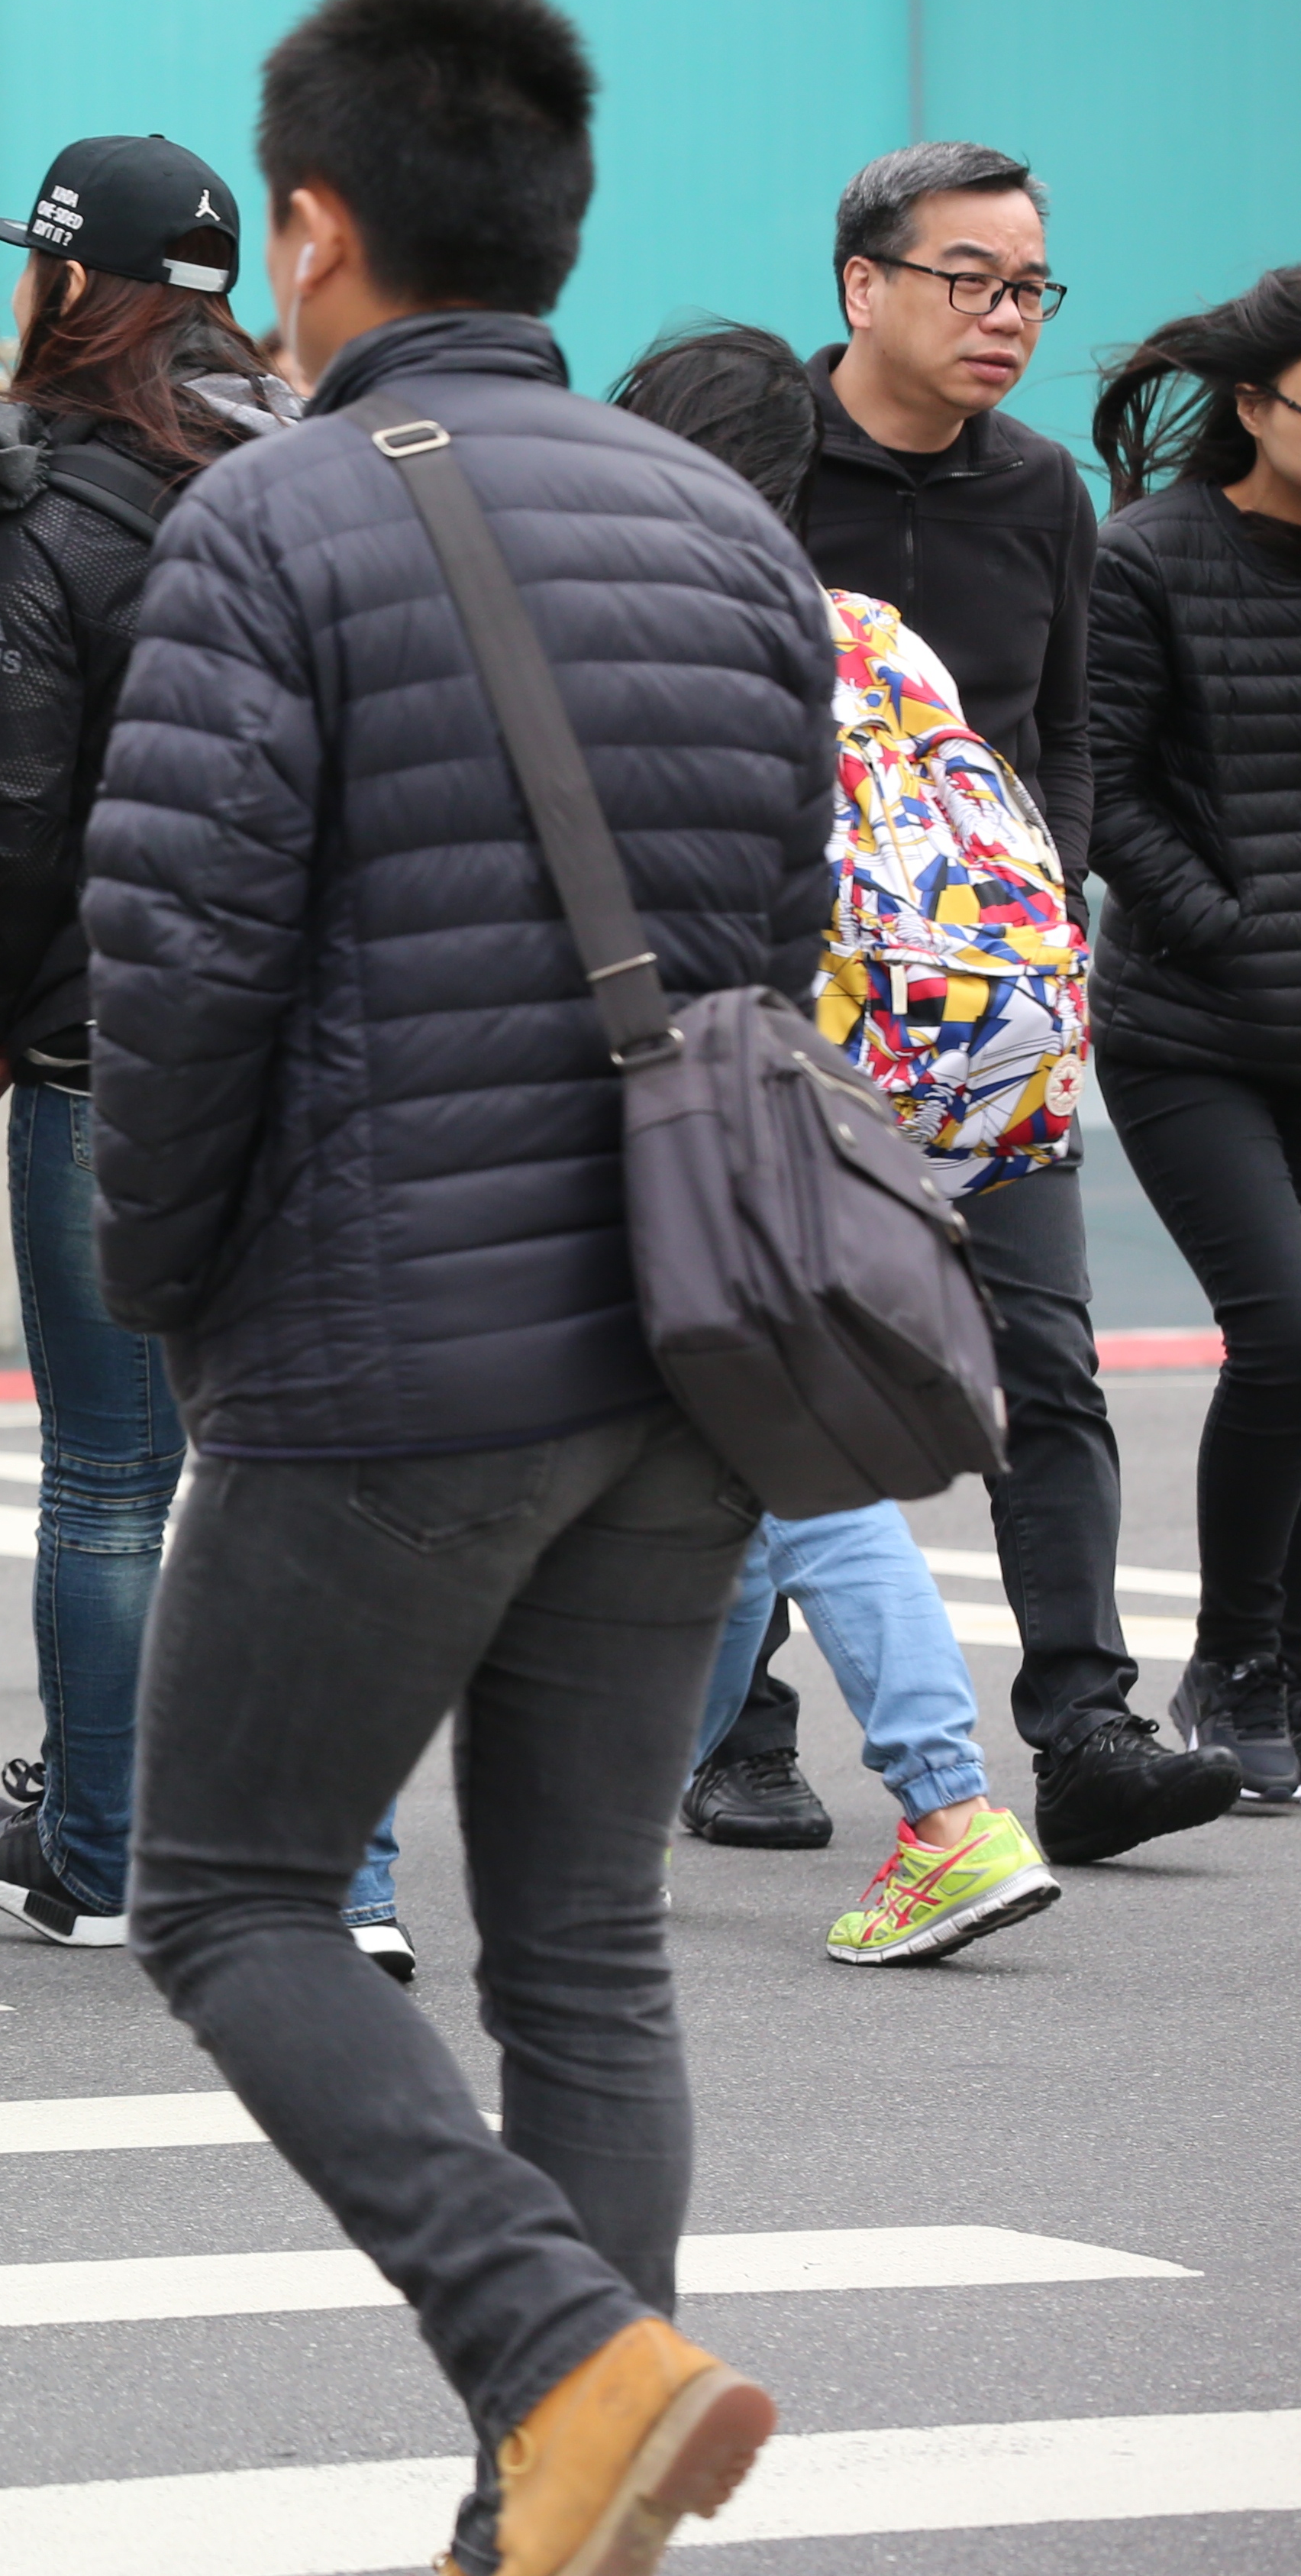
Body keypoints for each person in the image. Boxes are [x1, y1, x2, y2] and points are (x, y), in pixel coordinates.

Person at [97, 0, 830, 2576]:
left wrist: (168, 1291)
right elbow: (783, 933)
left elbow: (178, 983)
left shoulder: (269, 519)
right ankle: (560, 2509)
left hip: (386, 1352)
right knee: (590, 1950)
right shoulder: (724, 521)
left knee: (230, 1892)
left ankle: (565, 2363)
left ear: (308, 228)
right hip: (698, 1346)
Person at [692, 144, 1241, 1869]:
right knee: (756, 1351)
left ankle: (1079, 1723)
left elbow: (1063, 727)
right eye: (966, 279)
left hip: (976, 1003)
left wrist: (1038, 904)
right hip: (780, 993)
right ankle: (739, 1731)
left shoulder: (1033, 491)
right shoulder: (750, 458)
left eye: (1024, 288)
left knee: (1039, 1354)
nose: (1001, 317)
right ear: (858, 285)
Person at [0, 131, 415, 1970]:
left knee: (112, 1478)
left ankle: (107, 1844)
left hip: (115, 1047)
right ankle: (345, 1883)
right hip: (338, 1043)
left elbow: (12, 806)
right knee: (302, 1466)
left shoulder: (47, 501)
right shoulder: (328, 467)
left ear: (70, 284)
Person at [609, 320, 1067, 1963]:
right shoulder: (873, 627)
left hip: (693, 1073)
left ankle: (948, 1807)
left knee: (781, 1450)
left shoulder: (637, 627)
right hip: (865, 1078)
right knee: (736, 1443)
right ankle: (632, 1810)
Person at [1086, 265, 1301, 1804]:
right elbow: (1099, 779)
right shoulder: (1148, 555)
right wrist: (1219, 920)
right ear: (1251, 404)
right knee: (1288, 1329)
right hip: (1193, 1029)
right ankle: (1232, 1664)